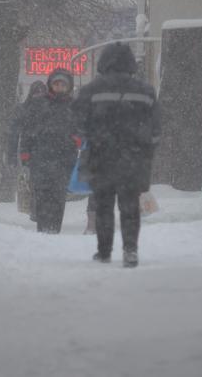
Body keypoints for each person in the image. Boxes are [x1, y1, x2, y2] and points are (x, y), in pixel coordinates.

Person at [72, 43, 160, 267]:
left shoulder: (91, 90)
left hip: (102, 157)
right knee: (130, 206)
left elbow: (77, 124)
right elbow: (156, 129)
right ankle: (130, 250)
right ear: (131, 63)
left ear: (104, 62)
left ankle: (104, 251)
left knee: (103, 206)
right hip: (134, 159)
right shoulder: (146, 92)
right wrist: (146, 150)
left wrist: (94, 136)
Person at [19, 69, 78, 233]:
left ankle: (54, 229)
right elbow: (27, 131)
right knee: (42, 195)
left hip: (64, 160)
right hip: (40, 159)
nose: (59, 87)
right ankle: (43, 229)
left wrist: (77, 139)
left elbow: (82, 129)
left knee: (58, 196)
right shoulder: (38, 104)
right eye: (56, 83)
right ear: (51, 85)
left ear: (69, 86)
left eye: (63, 84)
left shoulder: (74, 106)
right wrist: (25, 155)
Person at [7, 80, 48, 221]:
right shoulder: (47, 108)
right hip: (36, 153)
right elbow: (14, 134)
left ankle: (37, 211)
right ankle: (39, 211)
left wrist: (11, 157)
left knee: (36, 183)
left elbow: (13, 135)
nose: (39, 95)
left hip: (33, 153)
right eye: (37, 92)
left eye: (41, 92)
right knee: (38, 182)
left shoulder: (24, 109)